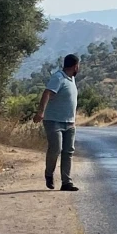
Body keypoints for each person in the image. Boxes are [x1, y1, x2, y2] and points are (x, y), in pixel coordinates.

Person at [33, 54, 80, 191]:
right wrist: (40, 112)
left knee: (68, 151)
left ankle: (66, 182)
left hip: (70, 123)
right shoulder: (58, 77)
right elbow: (47, 93)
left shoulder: (71, 79)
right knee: (56, 149)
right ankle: (49, 174)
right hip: (54, 121)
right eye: (79, 66)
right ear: (75, 66)